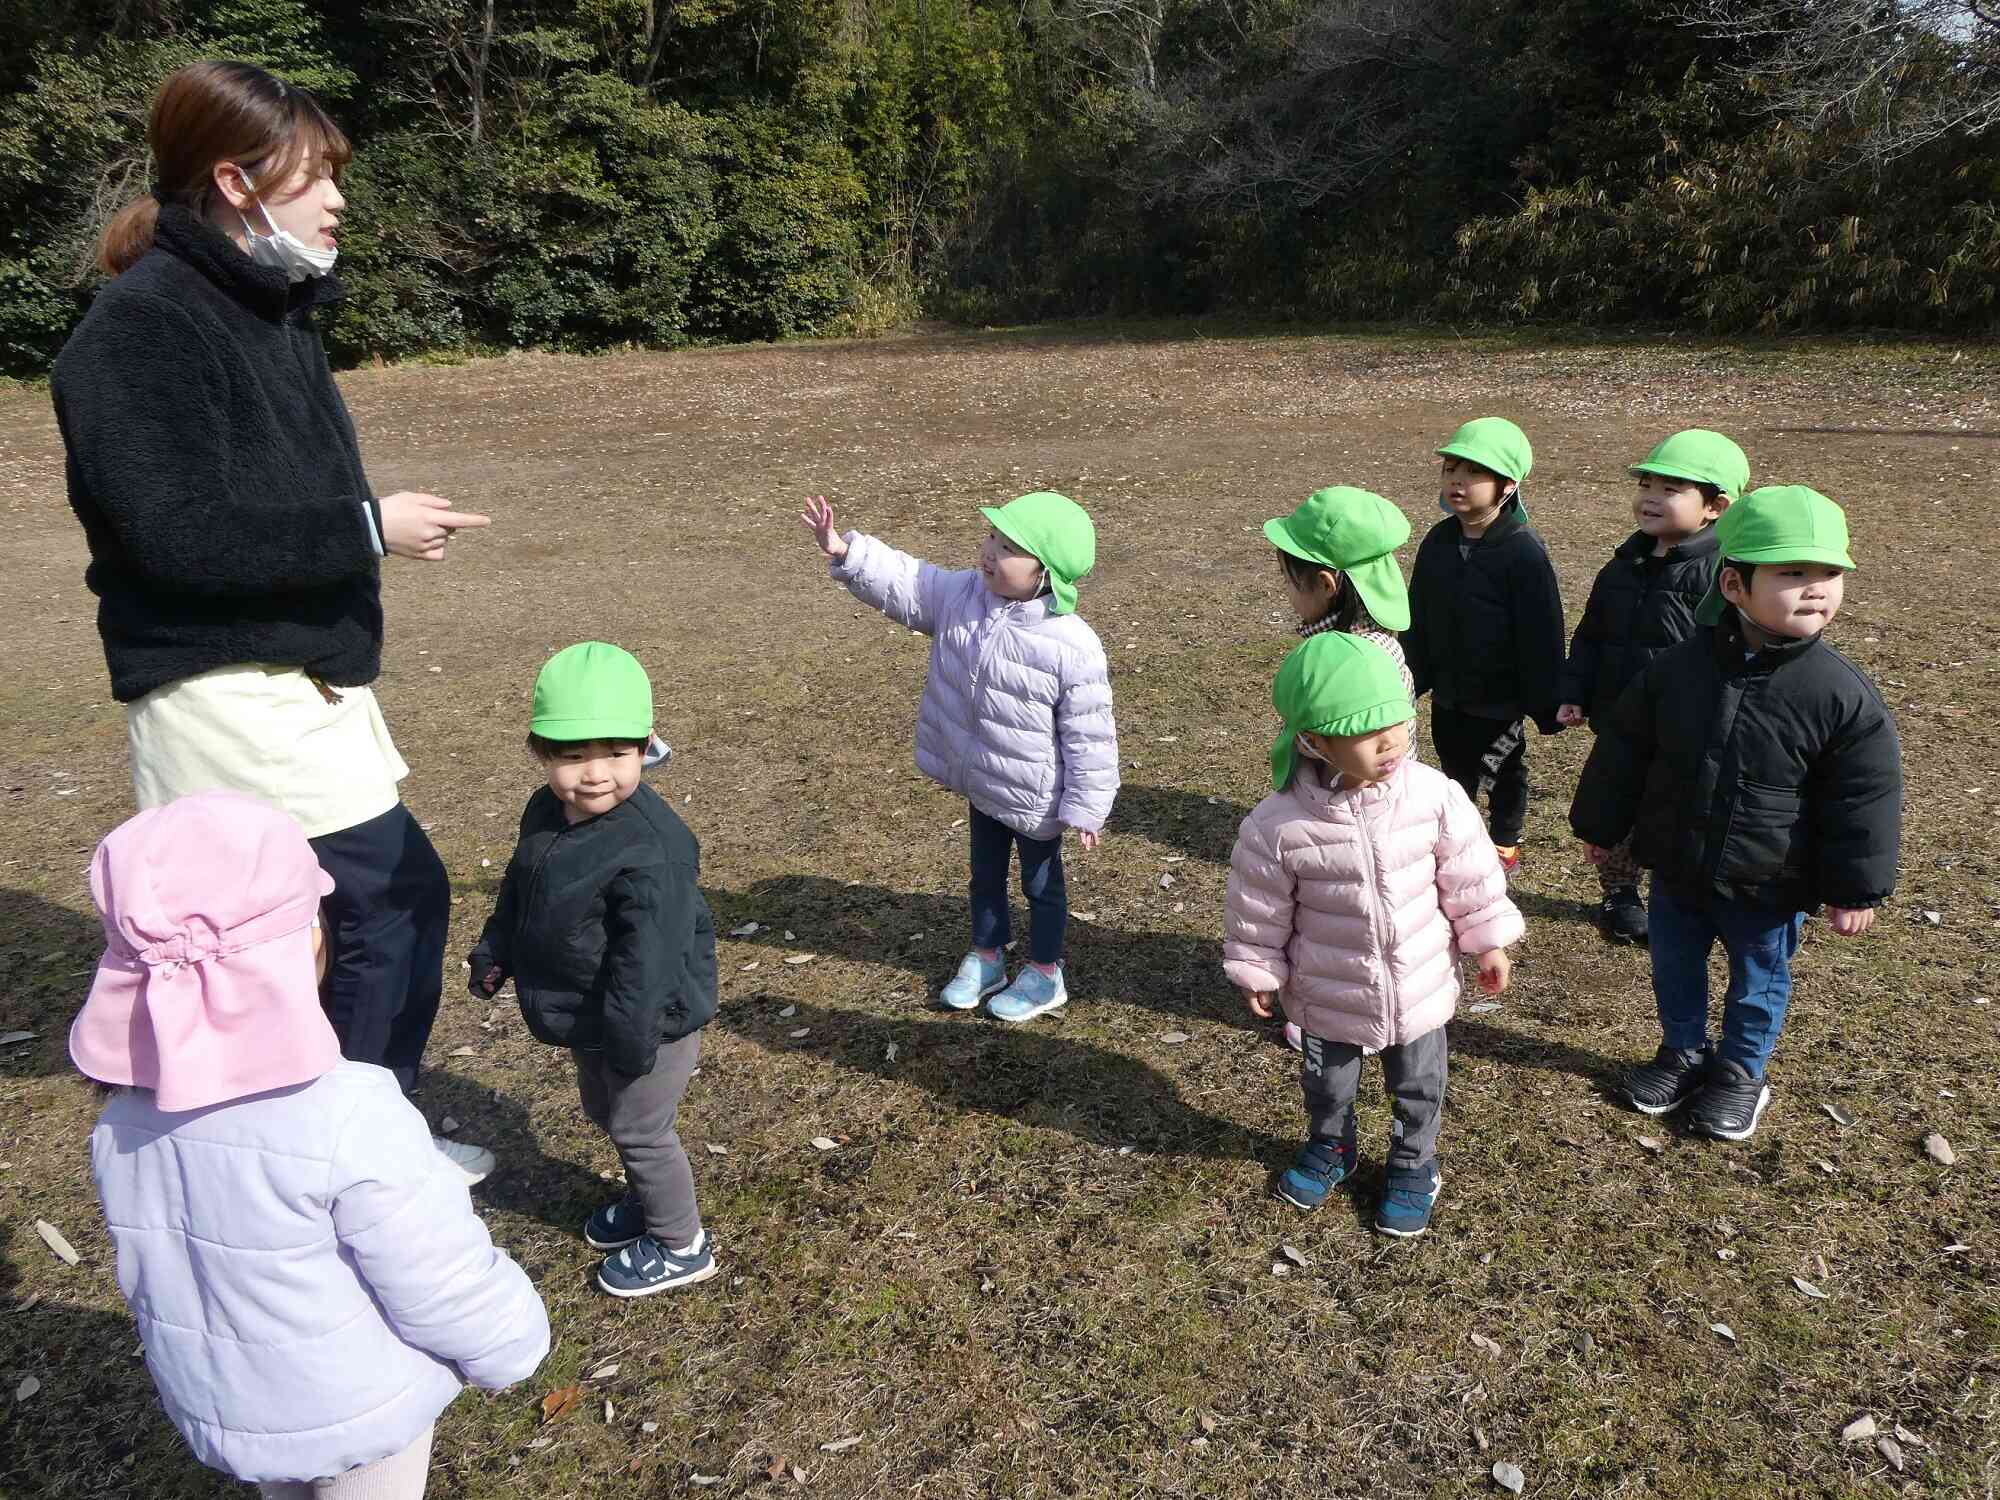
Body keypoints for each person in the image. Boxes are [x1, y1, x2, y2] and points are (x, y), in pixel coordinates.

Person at [49, 60, 492, 1180]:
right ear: (238, 183)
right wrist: (365, 529)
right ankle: (352, 1160)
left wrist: (361, 529)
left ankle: (345, 1144)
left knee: (350, 922)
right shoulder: (139, 330)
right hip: (226, 691)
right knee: (359, 916)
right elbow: (177, 537)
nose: (339, 199)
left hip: (304, 681)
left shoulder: (269, 311)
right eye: (318, 177)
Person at [72, 792, 550, 1500]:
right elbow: (436, 1276)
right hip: (359, 1413)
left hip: (232, 1411)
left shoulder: (121, 1126)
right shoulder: (349, 1111)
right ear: (306, 944)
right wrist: (513, 1344)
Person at [1570, 486, 1902, 1141]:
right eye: (1792, 573)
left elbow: (1863, 796)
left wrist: (1855, 887)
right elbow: (1625, 751)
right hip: (1677, 866)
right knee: (1674, 967)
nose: (1816, 589)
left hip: (1768, 882)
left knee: (1757, 983)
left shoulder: (1840, 694)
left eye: (1830, 573)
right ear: (1733, 583)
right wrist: (1604, 828)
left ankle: (1741, 1072)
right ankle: (1684, 1052)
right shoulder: (1677, 670)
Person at [1224, 633, 1522, 1238]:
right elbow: (1259, 905)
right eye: (1365, 730)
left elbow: (1470, 873)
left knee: (1419, 1083)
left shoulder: (1434, 796)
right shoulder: (1279, 824)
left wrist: (1487, 936)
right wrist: (1257, 965)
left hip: (1419, 983)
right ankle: (1332, 1145)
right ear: (1313, 741)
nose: (1390, 741)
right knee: (1327, 1083)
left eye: (1398, 721)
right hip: (1328, 990)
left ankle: (1414, 1162)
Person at [801, 491, 1118, 1023]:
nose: (990, 552)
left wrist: (1088, 805)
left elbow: (1091, 733)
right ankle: (988, 955)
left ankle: (1044, 973)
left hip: (1037, 795)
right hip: (983, 780)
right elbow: (910, 582)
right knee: (984, 875)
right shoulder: (964, 596)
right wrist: (844, 551)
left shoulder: (1071, 643)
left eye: (1010, 547)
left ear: (1047, 572)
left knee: (1041, 886)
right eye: (992, 537)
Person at [469, 643, 720, 1298]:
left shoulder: (653, 847)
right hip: (590, 1013)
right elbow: (521, 894)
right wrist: (498, 949)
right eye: (572, 756)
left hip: (647, 1026)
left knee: (640, 1127)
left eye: (615, 753)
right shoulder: (544, 814)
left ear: (646, 747)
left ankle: (681, 1242)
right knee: (606, 1115)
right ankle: (650, 1200)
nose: (595, 774)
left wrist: (632, 1043)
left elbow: (652, 960)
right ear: (541, 754)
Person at [1557, 430, 1749, 944]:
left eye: (1671, 488)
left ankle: (1683, 889)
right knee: (1618, 802)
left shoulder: (1724, 575)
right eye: (1647, 483)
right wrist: (1575, 689)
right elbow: (1593, 633)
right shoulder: (1622, 565)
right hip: (1621, 719)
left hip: (1685, 727)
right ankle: (1619, 892)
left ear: (1716, 507)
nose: (1650, 496)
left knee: (1676, 808)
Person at [1263, 482, 1415, 1051]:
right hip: (1360, 799)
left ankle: (1338, 1009)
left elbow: (1368, 750)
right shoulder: (1378, 642)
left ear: (1325, 584)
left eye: (1292, 582)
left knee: (1341, 911)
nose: (1289, 595)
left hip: (1346, 808)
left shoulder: (1348, 657)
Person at [1402, 417, 1567, 878]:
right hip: (1449, 690)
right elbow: (1418, 614)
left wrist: (1546, 699)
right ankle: (1456, 837)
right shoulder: (1438, 540)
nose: (1458, 480)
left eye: (1474, 473)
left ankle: (1503, 840)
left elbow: (1542, 633)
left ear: (1508, 486)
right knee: (1453, 769)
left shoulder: (1522, 553)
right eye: (1451, 469)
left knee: (1501, 771)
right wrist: (1409, 675)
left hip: (1499, 696)